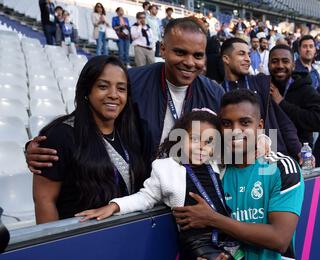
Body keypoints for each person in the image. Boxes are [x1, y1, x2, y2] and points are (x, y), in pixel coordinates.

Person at [76, 110, 252, 260]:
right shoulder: (165, 168)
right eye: (194, 139)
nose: (201, 147)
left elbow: (244, 147)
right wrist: (114, 206)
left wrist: (264, 141)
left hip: (227, 237)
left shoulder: (216, 163)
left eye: (209, 141)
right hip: (199, 242)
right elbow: (144, 197)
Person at [26, 17, 224, 179]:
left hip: (194, 195)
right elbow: (88, 119)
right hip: (140, 194)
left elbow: (235, 145)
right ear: (162, 49)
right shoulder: (132, 82)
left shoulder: (214, 94)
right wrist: (37, 146)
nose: (190, 62)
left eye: (198, 55)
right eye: (180, 52)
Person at [173, 89, 305, 260]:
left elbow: (279, 238)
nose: (235, 131)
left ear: (260, 126)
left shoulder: (280, 167)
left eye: (244, 123)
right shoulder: (213, 173)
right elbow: (201, 237)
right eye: (226, 124)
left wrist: (213, 218)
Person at [32, 56, 146, 224]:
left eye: (121, 89)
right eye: (103, 86)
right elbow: (44, 201)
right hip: (80, 239)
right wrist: (54, 247)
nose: (114, 95)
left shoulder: (131, 131)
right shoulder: (60, 135)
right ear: (87, 90)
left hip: (126, 233)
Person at [220, 38, 301, 159]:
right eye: (241, 54)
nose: (248, 59)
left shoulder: (261, 83)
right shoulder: (217, 91)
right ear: (226, 59)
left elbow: (282, 120)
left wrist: (298, 150)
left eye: (249, 54)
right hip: (236, 162)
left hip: (270, 158)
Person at [268, 44, 320, 148]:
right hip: (270, 152)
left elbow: (317, 122)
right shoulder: (263, 86)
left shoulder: (307, 90)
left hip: (298, 155)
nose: (280, 66)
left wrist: (281, 103)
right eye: (274, 61)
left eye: (285, 61)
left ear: (293, 65)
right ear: (268, 64)